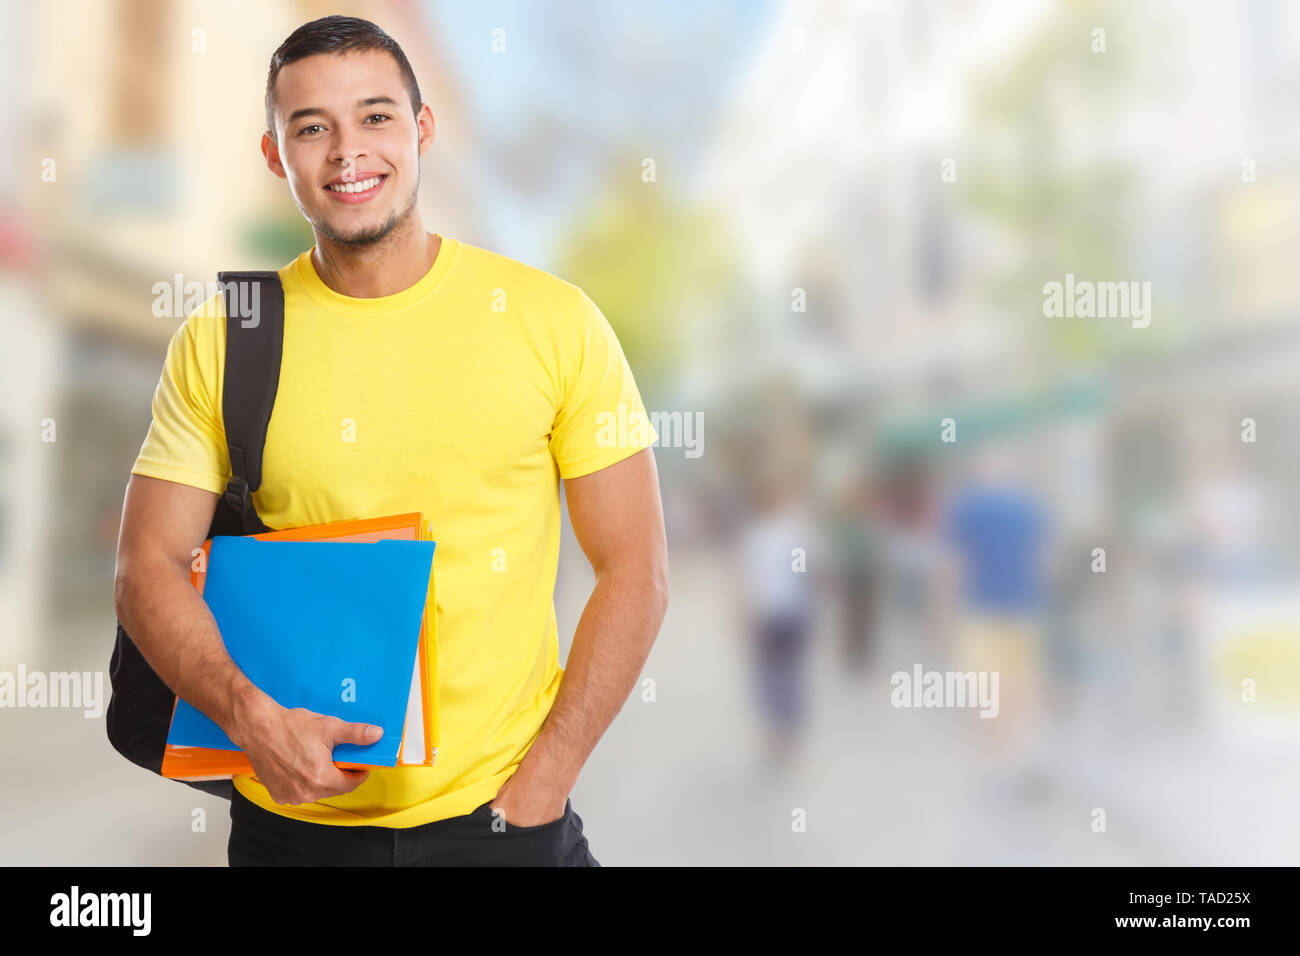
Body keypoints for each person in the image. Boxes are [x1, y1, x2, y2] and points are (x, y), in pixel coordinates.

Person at [113, 16, 668, 866]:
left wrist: (546, 781)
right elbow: (147, 565)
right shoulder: (229, 333)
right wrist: (249, 718)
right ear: (275, 156)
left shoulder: (555, 323)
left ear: (422, 129)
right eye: (311, 127)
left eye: (375, 116)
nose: (347, 152)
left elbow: (636, 570)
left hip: (503, 820)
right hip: (289, 828)